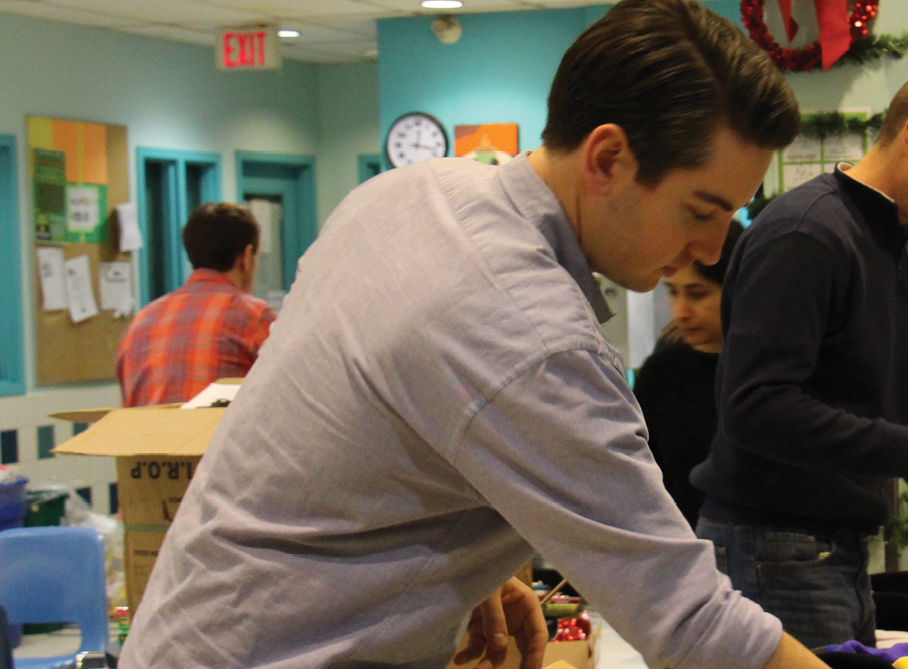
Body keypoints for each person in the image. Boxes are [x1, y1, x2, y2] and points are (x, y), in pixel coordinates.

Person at [121, 2, 834, 668]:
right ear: (608, 159)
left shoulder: (409, 194)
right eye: (700, 210)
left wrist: (459, 562)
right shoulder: (533, 337)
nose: (713, 248)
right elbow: (693, 624)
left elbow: (341, 436)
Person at [691, 59, 908, 648]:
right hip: (772, 548)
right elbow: (754, 406)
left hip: (833, 551)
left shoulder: (905, 256)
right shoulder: (806, 234)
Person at [634, 222, 743, 527]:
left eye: (696, 294)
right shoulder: (661, 374)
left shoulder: (769, 371)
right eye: (672, 292)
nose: (680, 311)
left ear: (738, 288)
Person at [116, 202, 276, 407]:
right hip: (217, 438)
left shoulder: (140, 323)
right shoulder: (257, 318)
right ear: (246, 256)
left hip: (149, 438)